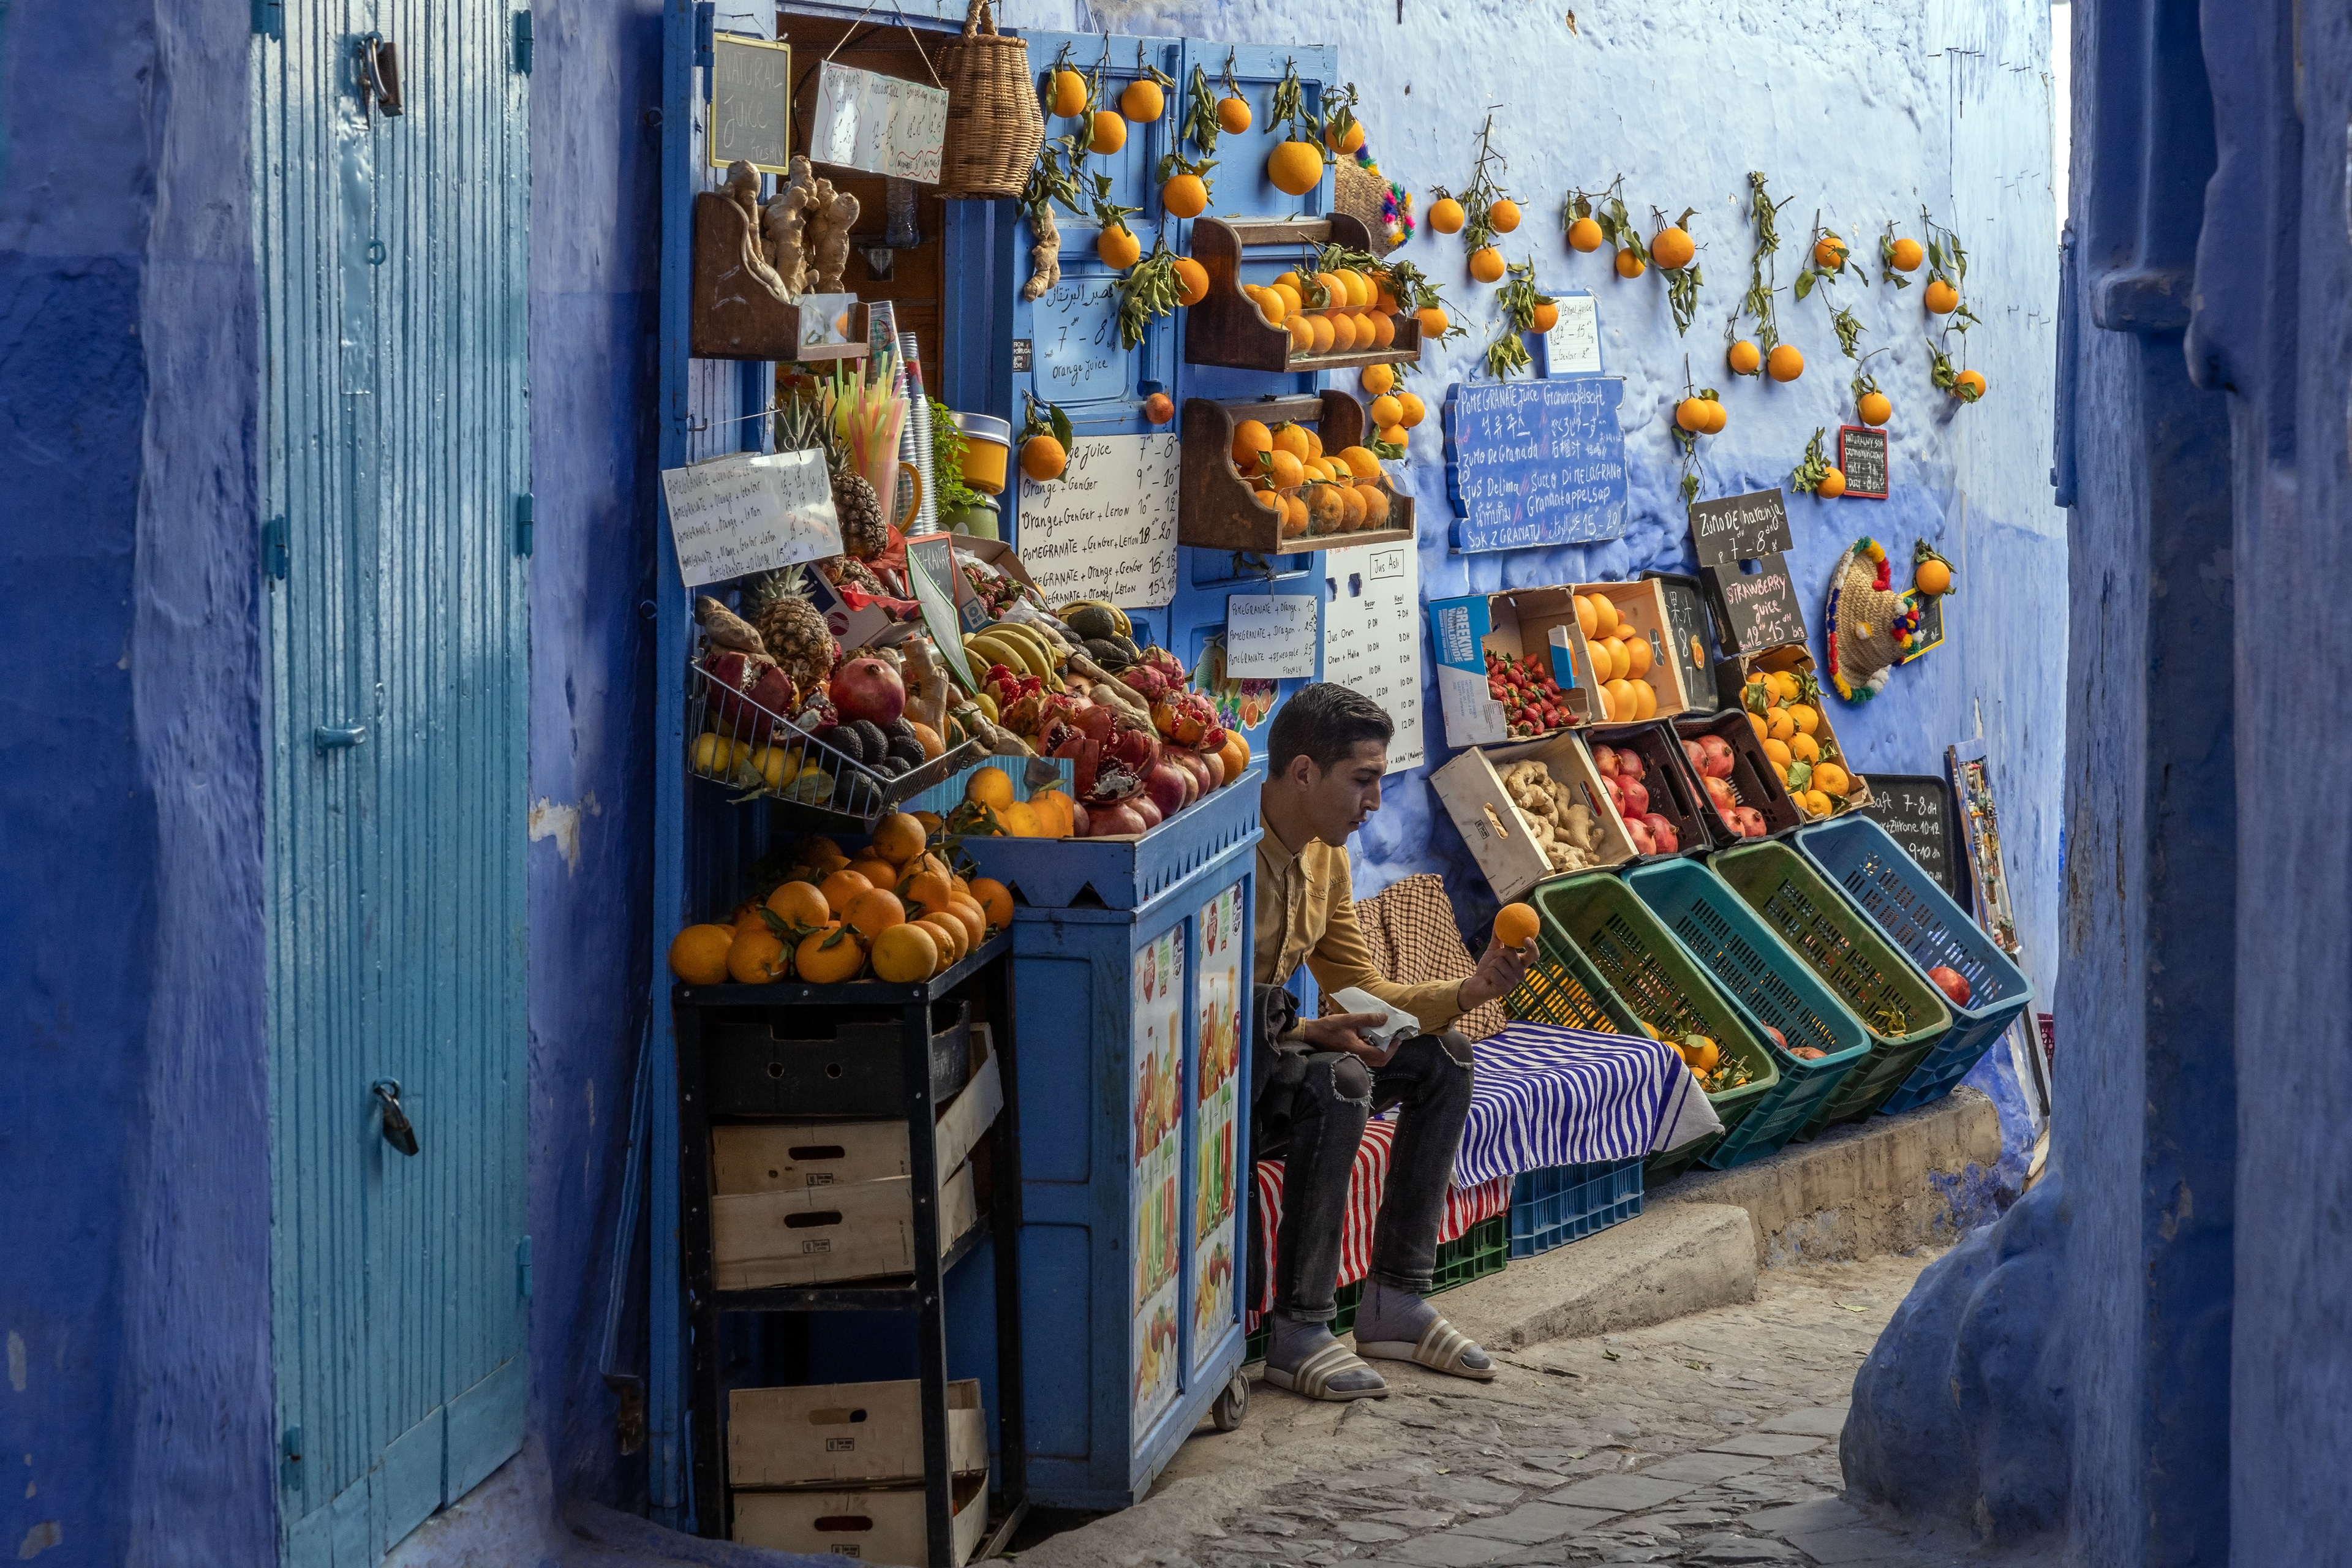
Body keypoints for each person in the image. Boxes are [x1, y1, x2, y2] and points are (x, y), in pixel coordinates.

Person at [1250, 684, 1535, 1401]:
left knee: (1445, 1058)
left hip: (1279, 1057)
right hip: (1221, 1080)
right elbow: (1192, 1001)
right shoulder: (1230, 853)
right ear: (1306, 772)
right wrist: (1308, 1030)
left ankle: (1394, 1303)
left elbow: (1361, 991)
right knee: (1339, 1079)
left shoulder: (1326, 859)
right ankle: (1298, 1331)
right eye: (1364, 780)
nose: (1374, 802)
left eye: (1380, 781)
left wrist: (1467, 994)